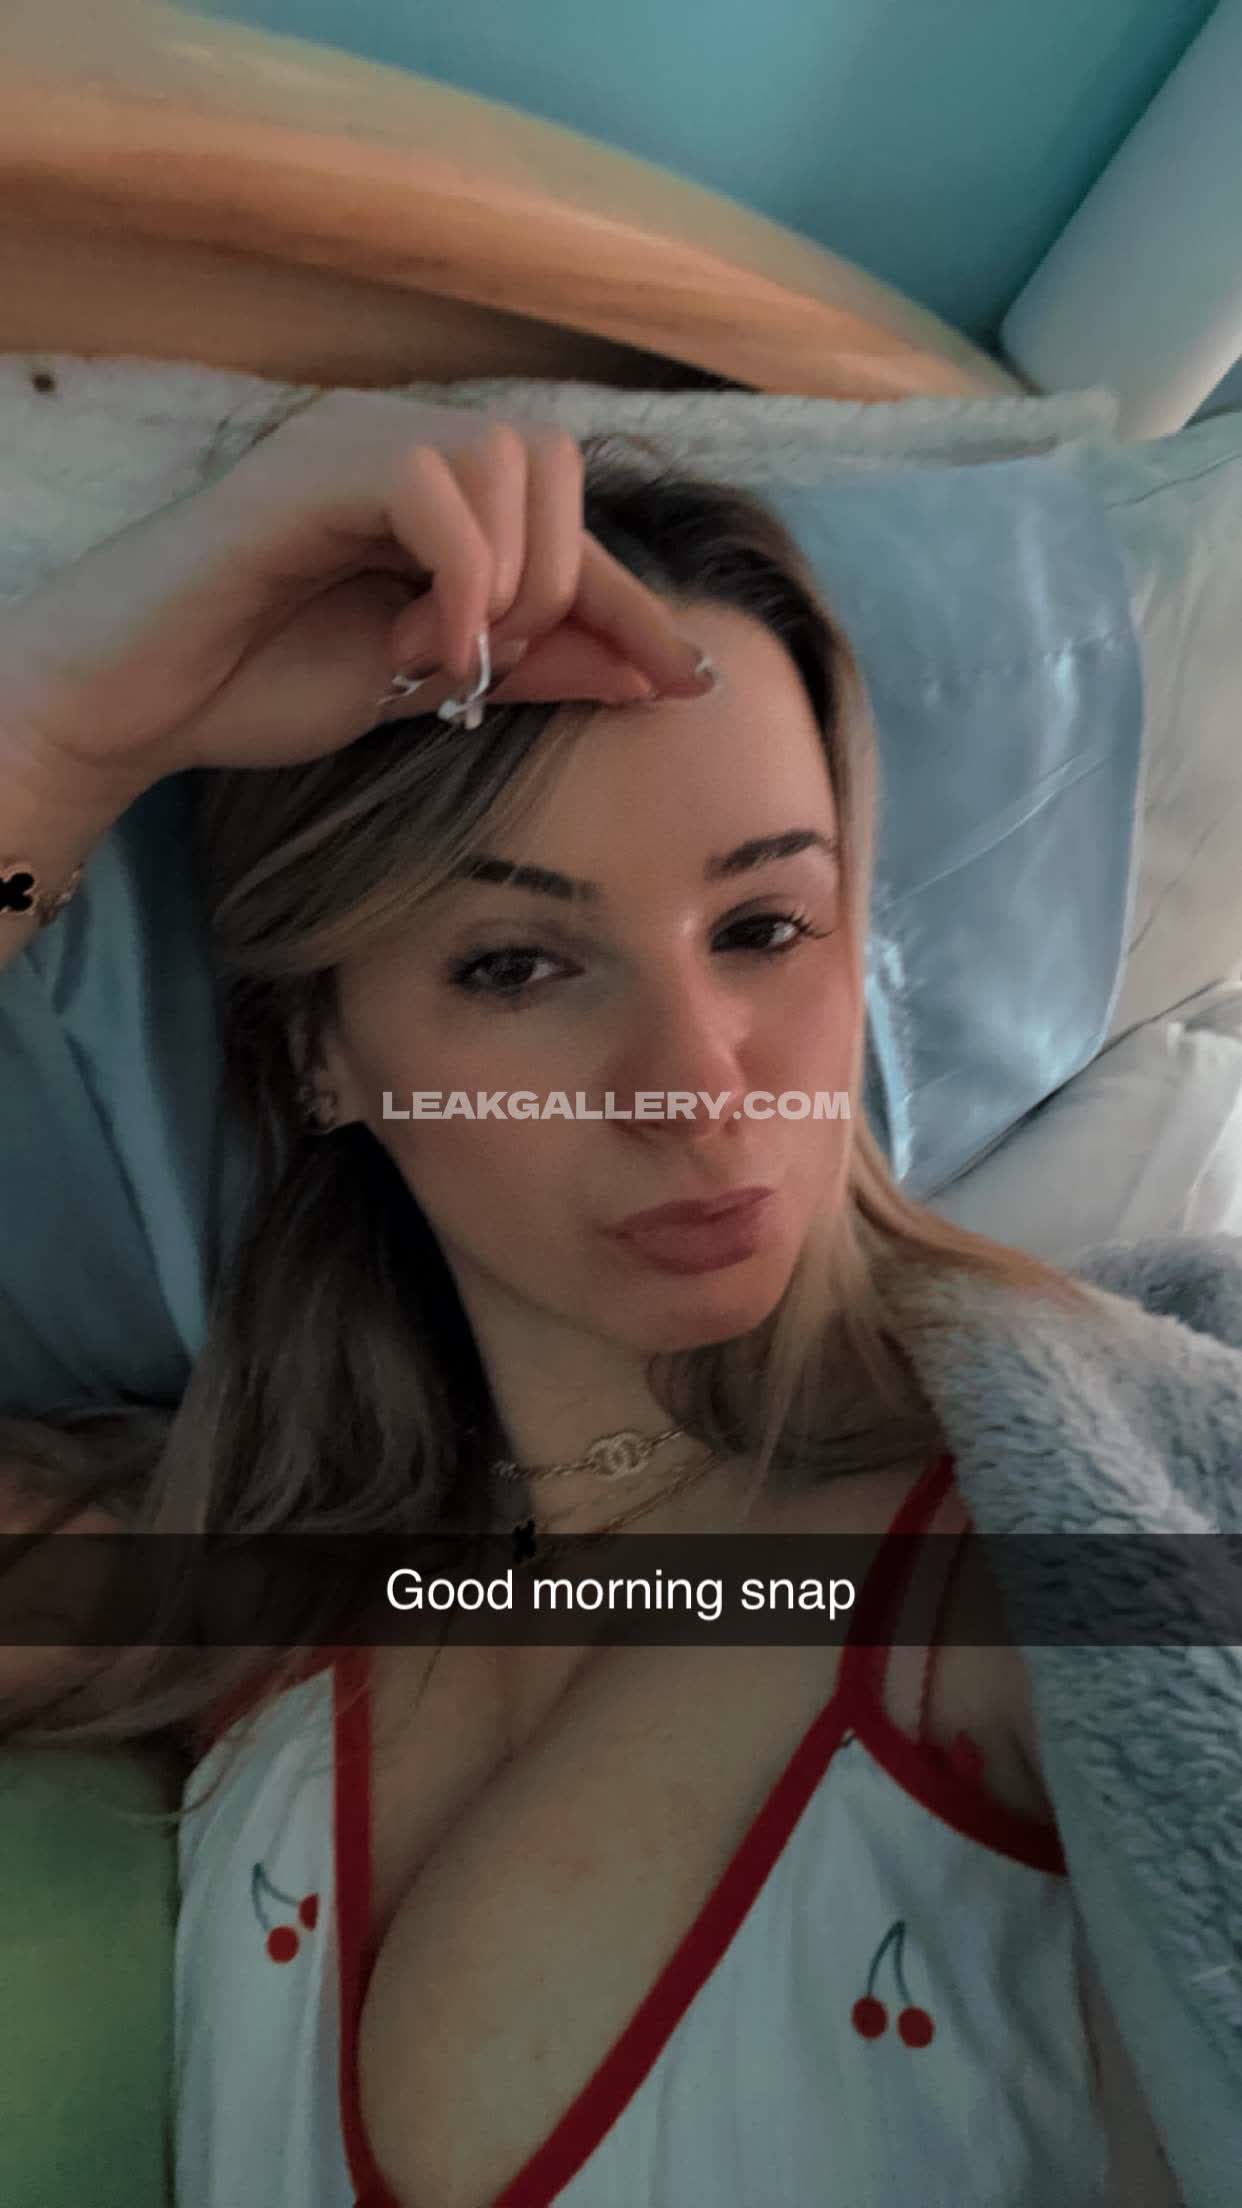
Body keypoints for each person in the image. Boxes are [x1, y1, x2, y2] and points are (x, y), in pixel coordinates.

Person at [0, 394, 1178, 2206]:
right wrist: (67, 725)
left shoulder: (1036, 1588)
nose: (696, 1087)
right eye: (518, 965)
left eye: (763, 929)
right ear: (319, 1053)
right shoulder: (227, 1600)